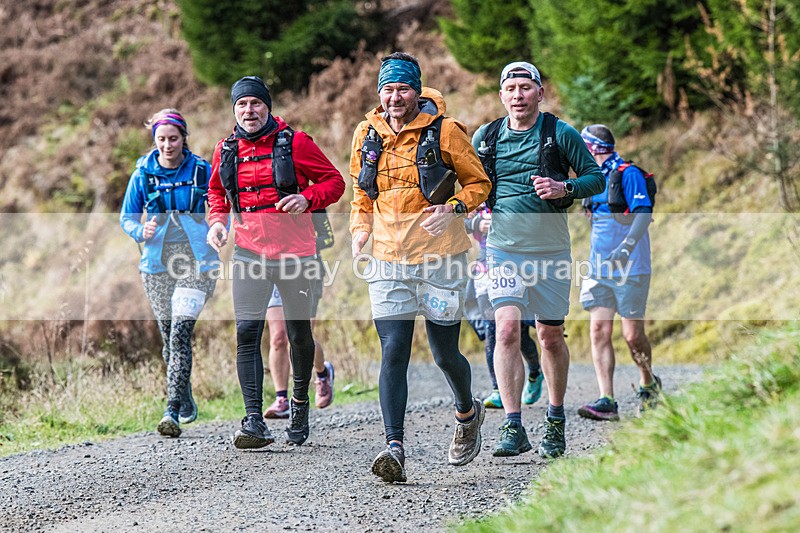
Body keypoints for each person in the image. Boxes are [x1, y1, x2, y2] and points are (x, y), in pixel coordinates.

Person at [350, 52, 492, 483]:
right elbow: (362, 195)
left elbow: (480, 184)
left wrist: (453, 208)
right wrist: (360, 231)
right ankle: (394, 447)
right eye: (388, 90)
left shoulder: (445, 132)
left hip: (441, 259)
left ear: (417, 90)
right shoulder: (365, 134)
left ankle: (467, 414)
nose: (395, 97)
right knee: (393, 350)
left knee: (444, 353)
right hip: (388, 261)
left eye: (403, 89)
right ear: (380, 93)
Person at [473, 61, 605, 459]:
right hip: (502, 249)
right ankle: (513, 426)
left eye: (525, 87)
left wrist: (563, 185)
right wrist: (468, 208)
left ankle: (555, 418)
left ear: (539, 92)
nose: (518, 95)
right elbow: (470, 181)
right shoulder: (487, 136)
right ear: (501, 95)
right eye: (510, 88)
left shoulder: (558, 133)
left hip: (550, 251)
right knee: (507, 329)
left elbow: (594, 178)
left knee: (549, 336)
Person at [206, 76, 345, 449]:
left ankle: (299, 405)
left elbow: (334, 182)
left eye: (256, 104)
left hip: (297, 253)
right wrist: (218, 224)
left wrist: (308, 199)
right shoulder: (226, 149)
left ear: (267, 107)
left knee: (299, 335)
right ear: (234, 110)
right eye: (242, 105)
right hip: (250, 253)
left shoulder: (295, 142)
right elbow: (217, 193)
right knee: (246, 333)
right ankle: (253, 420)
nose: (249, 111)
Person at [120, 109, 218, 438]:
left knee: (179, 334)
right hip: (156, 263)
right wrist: (140, 230)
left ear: (183, 138)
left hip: (195, 261)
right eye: (161, 139)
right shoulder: (143, 174)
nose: (167, 145)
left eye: (173, 138)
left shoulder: (202, 170)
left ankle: (172, 409)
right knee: (168, 341)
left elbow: (221, 207)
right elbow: (126, 218)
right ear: (154, 141)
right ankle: (186, 398)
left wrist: (217, 230)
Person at [576, 124, 660, 421]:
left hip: (632, 267)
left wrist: (624, 248)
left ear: (591, 148)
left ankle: (648, 383)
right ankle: (606, 400)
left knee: (632, 335)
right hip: (599, 269)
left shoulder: (628, 173)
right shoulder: (591, 179)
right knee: (599, 330)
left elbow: (643, 213)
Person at [463, 206, 543, 409]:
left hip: (517, 264)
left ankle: (535, 372)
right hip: (485, 267)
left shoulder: (509, 193)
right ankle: (498, 389)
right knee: (494, 330)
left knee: (518, 332)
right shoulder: (477, 196)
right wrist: (476, 223)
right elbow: (454, 220)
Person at [264, 209, 336, 418]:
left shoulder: (308, 198)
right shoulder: (261, 196)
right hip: (272, 271)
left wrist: (295, 245)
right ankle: (281, 400)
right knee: (278, 337)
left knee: (302, 336)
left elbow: (327, 237)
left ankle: (322, 372)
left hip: (305, 270)